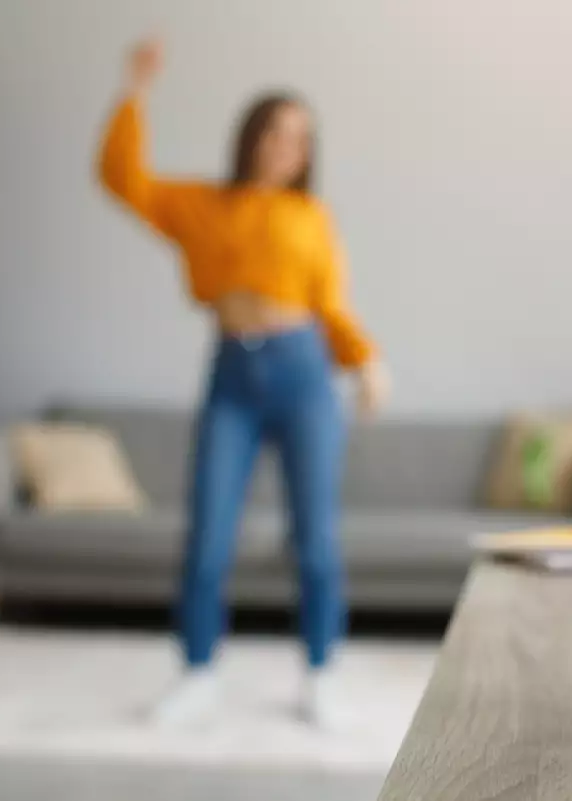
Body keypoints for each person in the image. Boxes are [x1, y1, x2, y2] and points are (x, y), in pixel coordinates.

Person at [96, 37, 389, 727]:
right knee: (208, 534)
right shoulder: (202, 205)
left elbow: (331, 306)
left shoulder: (312, 218)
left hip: (303, 372)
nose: (289, 147)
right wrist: (134, 93)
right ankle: (197, 669)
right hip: (232, 374)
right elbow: (122, 178)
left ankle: (320, 672)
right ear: (252, 136)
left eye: (302, 138)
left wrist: (366, 361)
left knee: (314, 538)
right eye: (277, 132)